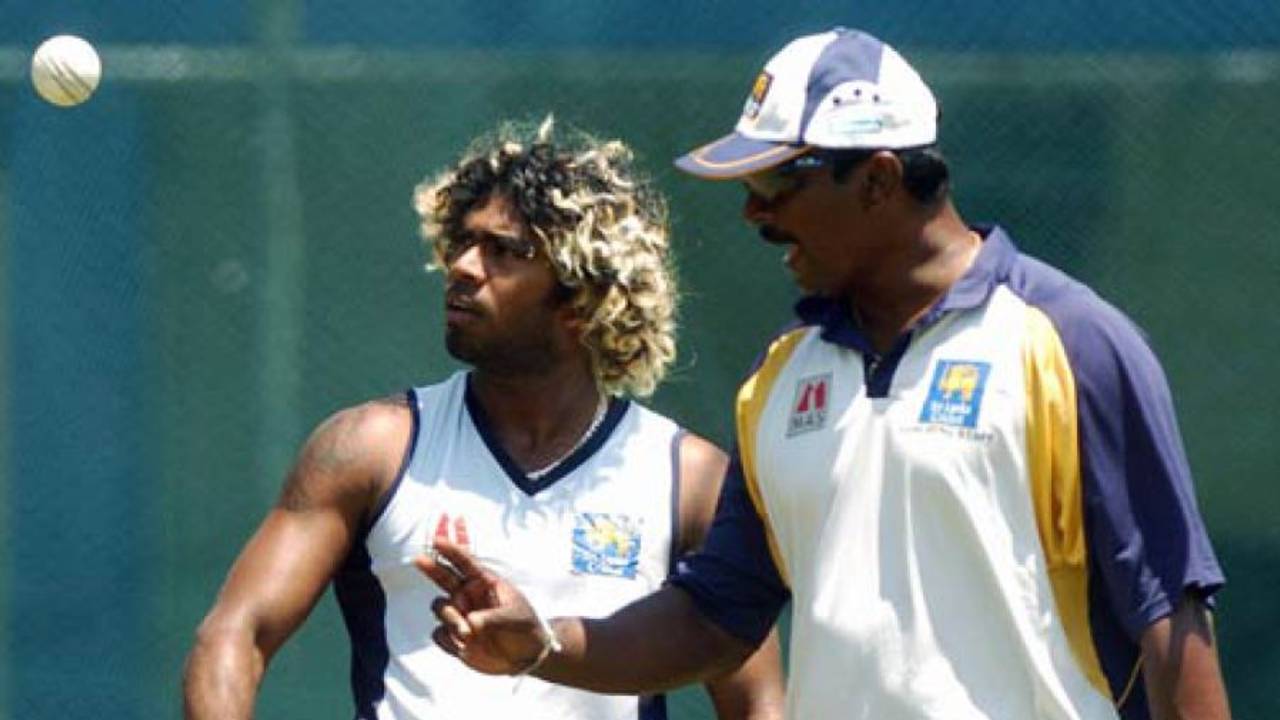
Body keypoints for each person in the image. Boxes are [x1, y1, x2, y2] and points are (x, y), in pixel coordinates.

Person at [417, 27, 1233, 720]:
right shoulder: (781, 377)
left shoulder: (1071, 341)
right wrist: (544, 644)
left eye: (778, 181)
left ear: (878, 178)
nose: (754, 212)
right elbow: (716, 616)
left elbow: (1171, 620)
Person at [182, 117, 785, 720]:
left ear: (582, 298)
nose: (463, 268)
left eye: (503, 252)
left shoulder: (690, 478)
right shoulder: (370, 447)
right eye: (462, 243)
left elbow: (757, 701)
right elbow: (235, 635)